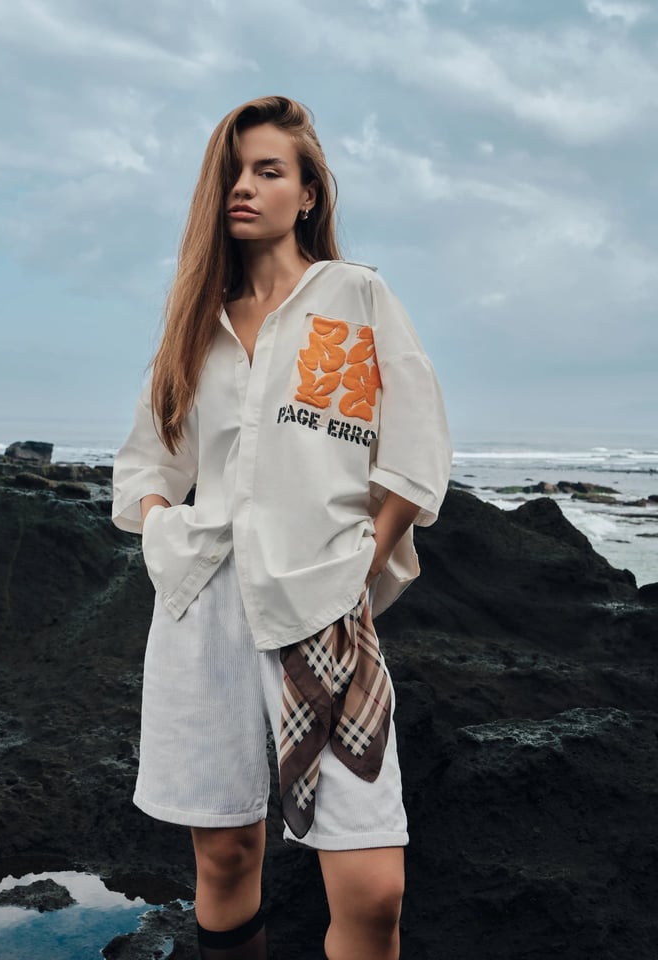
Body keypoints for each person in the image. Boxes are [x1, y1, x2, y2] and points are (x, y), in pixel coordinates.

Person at [112, 95, 451, 960]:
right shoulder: (195, 325)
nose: (245, 186)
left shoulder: (357, 296)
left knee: (375, 891)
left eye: (269, 170)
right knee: (226, 854)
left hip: (325, 607)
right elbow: (150, 464)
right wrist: (162, 532)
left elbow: (416, 453)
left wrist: (360, 567)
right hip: (206, 603)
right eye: (232, 171)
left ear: (308, 194)